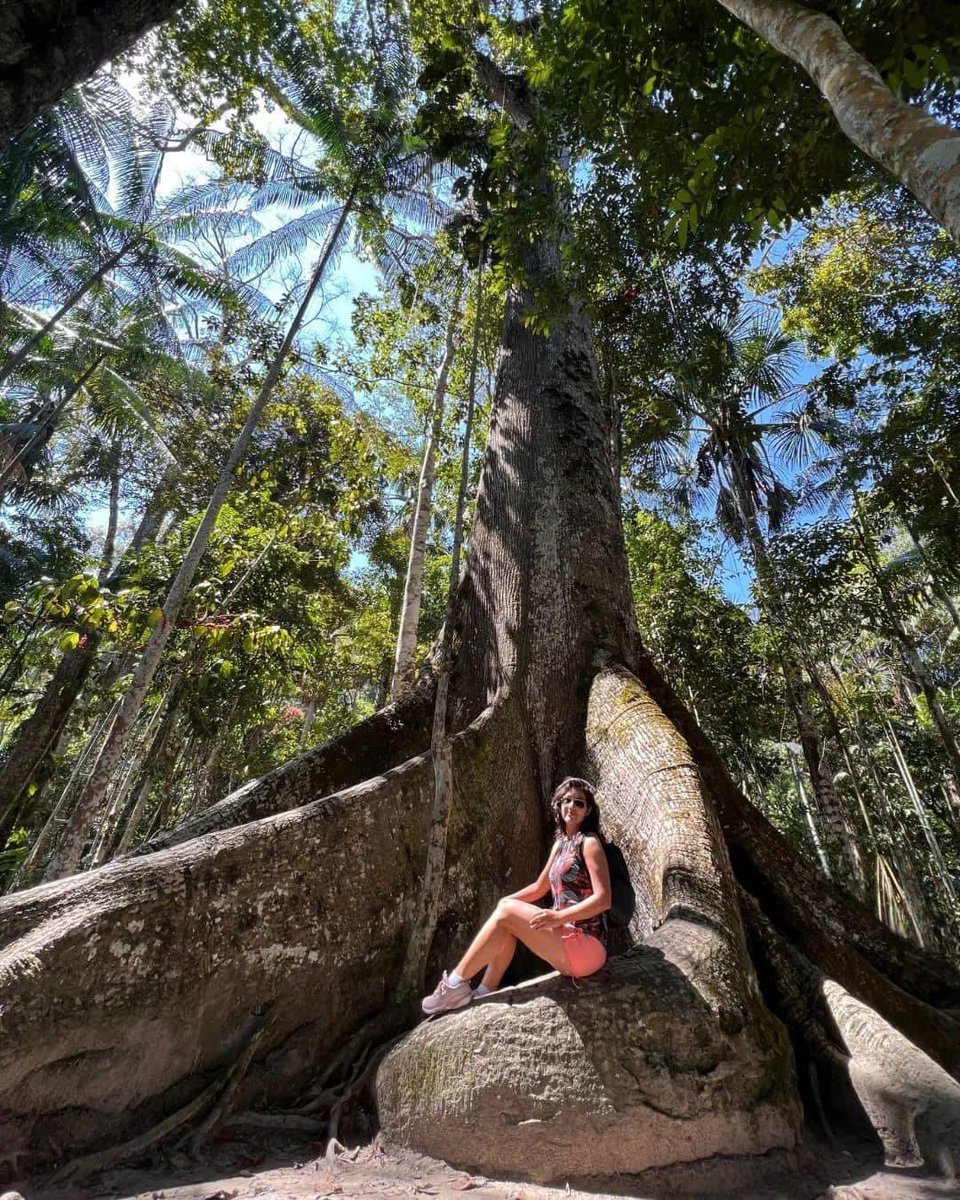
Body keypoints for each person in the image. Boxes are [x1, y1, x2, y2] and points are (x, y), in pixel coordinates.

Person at [421, 777, 611, 1016]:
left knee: (507, 913)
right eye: (566, 801)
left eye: (579, 803)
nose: (571, 806)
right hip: (567, 940)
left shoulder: (590, 843)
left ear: (588, 810)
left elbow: (603, 899)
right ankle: (483, 991)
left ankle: (454, 985)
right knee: (506, 918)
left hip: (587, 946)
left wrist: (557, 916)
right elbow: (539, 888)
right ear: (559, 805)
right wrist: (504, 904)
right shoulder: (561, 844)